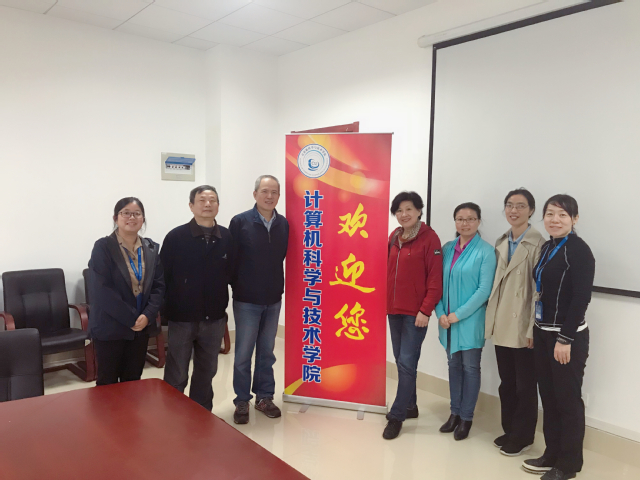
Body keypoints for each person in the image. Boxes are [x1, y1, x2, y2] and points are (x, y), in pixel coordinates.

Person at [522, 195, 595, 480]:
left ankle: (568, 464)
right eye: (550, 213)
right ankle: (551, 454)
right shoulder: (549, 246)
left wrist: (565, 339)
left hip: (566, 338)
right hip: (543, 333)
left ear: (574, 219)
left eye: (563, 215)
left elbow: (581, 298)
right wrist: (535, 329)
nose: (555, 220)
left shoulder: (579, 250)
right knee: (549, 398)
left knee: (567, 401)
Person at [161, 185, 233, 411]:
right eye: (202, 200)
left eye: (213, 200)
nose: (208, 204)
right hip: (182, 318)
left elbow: (232, 272)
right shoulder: (176, 237)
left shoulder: (226, 237)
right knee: (177, 373)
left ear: (218, 206)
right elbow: (163, 276)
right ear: (191, 206)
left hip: (214, 318)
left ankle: (201, 417)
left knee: (207, 372)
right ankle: (172, 418)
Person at [486, 188, 546, 456]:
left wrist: (532, 326)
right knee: (507, 382)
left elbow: (538, 291)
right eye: (509, 205)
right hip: (502, 322)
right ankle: (510, 430)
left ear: (531, 210)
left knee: (525, 386)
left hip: (523, 325)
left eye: (521, 206)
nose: (514, 210)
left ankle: (523, 437)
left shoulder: (539, 244)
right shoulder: (501, 241)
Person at [382, 191, 443, 440]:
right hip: (394, 311)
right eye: (399, 210)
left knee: (406, 362)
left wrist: (425, 310)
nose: (403, 214)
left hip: (415, 314)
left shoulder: (430, 238)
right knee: (402, 361)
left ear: (419, 211)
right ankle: (411, 405)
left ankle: (397, 416)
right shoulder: (394, 237)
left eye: (408, 209)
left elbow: (435, 279)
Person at [230, 175, 289, 424]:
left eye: (274, 192)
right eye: (264, 191)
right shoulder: (240, 222)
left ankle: (264, 397)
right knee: (243, 354)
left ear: (279, 196)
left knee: (267, 352)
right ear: (255, 194)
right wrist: (240, 287)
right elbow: (232, 259)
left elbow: (281, 257)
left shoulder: (283, 224)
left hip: (273, 298)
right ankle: (242, 400)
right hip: (247, 300)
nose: (269, 196)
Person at [435, 202, 496, 440]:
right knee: (453, 367)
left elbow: (484, 290)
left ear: (479, 221)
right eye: (460, 219)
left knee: (470, 368)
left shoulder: (486, 251)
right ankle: (454, 413)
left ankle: (466, 418)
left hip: (470, 320)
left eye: (470, 219)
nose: (465, 223)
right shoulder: (447, 249)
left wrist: (458, 315)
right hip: (447, 321)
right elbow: (436, 283)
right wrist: (440, 312)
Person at [88, 197, 164, 385]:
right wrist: (131, 318)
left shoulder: (151, 248)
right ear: (116, 218)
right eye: (126, 213)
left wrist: (147, 315)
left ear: (143, 219)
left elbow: (158, 286)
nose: (132, 217)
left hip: (141, 327)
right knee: (107, 383)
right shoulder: (103, 247)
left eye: (137, 214)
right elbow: (102, 289)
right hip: (110, 326)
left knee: (133, 382)